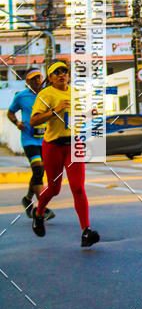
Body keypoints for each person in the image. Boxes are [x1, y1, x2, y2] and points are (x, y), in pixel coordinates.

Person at [29, 61, 100, 247]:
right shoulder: (46, 94)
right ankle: (38, 213)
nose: (62, 74)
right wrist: (54, 110)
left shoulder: (76, 93)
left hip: (74, 144)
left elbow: (77, 115)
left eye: (65, 71)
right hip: (53, 145)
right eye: (57, 72)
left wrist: (89, 114)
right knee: (54, 188)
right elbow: (34, 121)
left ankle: (86, 231)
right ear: (50, 78)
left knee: (78, 187)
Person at [7, 68, 54, 222]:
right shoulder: (21, 97)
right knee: (38, 170)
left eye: (38, 77)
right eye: (32, 79)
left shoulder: (48, 94)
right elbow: (10, 112)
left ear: (42, 78)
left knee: (38, 172)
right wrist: (17, 123)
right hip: (29, 140)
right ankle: (42, 208)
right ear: (27, 82)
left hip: (46, 139)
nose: (36, 81)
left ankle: (27, 199)